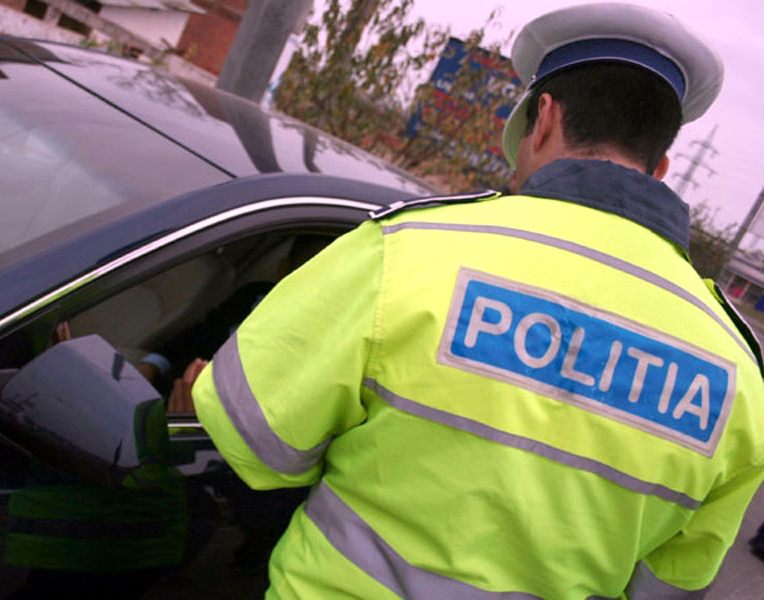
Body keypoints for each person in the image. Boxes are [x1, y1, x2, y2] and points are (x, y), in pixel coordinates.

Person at [190, 3, 764, 598]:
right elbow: (670, 585)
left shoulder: (407, 252)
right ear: (660, 167)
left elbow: (253, 435)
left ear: (544, 118)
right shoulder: (739, 376)